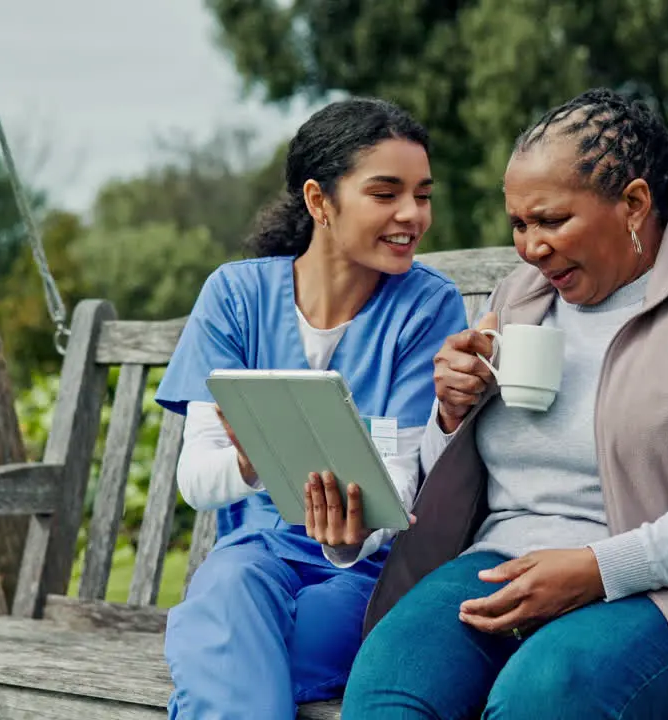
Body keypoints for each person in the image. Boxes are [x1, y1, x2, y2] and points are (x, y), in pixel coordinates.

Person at [341, 88, 668, 720]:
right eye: (519, 224)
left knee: (545, 694)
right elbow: (450, 479)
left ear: (633, 202)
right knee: (390, 683)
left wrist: (598, 569)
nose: (531, 248)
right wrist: (451, 416)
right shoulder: (520, 297)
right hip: (506, 563)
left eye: (551, 221)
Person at [154, 97, 468, 720]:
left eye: (422, 195)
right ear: (319, 201)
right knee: (230, 585)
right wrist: (248, 466)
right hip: (255, 560)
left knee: (228, 641)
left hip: (372, 573)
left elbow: (398, 481)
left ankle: (214, 657)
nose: (412, 214)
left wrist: (349, 542)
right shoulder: (235, 297)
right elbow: (197, 480)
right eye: (386, 193)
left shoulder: (427, 308)